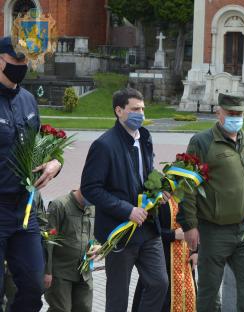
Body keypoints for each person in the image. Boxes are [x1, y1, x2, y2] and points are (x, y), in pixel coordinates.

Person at [81, 88, 169, 312]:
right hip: (119, 231)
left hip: (149, 228)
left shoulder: (145, 137)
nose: (141, 113)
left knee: (159, 283)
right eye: (135, 109)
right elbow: (90, 189)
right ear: (119, 111)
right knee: (118, 298)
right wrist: (127, 210)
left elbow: (145, 176)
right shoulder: (104, 145)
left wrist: (159, 192)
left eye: (142, 109)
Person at [177, 93, 244, 312]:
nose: (236, 117)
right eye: (230, 113)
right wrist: (190, 224)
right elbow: (187, 185)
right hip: (214, 231)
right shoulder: (202, 141)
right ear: (218, 113)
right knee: (209, 290)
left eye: (239, 114)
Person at [0, 36, 62, 312]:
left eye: (25, 61)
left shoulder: (27, 101)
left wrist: (54, 163)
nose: (22, 67)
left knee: (34, 286)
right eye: (16, 61)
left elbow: (40, 148)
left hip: (24, 211)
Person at [132, 198, 198, 312]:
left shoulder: (187, 189)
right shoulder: (156, 193)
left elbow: (196, 223)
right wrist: (172, 235)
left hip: (185, 262)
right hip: (160, 259)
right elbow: (145, 229)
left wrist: (196, 251)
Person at [44, 188, 99, 312]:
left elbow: (97, 234)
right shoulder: (59, 205)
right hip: (61, 274)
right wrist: (47, 272)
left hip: (84, 273)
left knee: (84, 308)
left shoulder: (93, 206)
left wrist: (98, 246)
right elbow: (47, 242)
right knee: (61, 309)